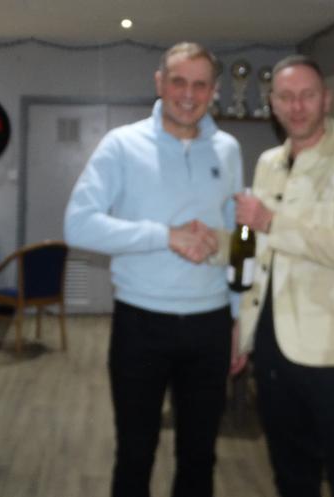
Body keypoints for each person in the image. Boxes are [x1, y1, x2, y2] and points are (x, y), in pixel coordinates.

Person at [64, 42, 243, 497]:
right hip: (141, 325)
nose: (189, 94)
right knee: (135, 454)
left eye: (200, 84)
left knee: (200, 458)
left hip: (211, 325)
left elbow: (239, 238)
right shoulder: (121, 145)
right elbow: (78, 224)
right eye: (178, 81)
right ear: (159, 82)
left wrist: (240, 317)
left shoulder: (228, 149)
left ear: (214, 91)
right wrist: (165, 236)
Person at [231, 54, 334, 497]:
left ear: (326, 99)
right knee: (292, 478)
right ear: (273, 103)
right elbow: (260, 254)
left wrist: (270, 220)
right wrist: (242, 327)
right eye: (286, 97)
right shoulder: (268, 163)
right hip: (274, 348)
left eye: (307, 95)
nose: (296, 106)